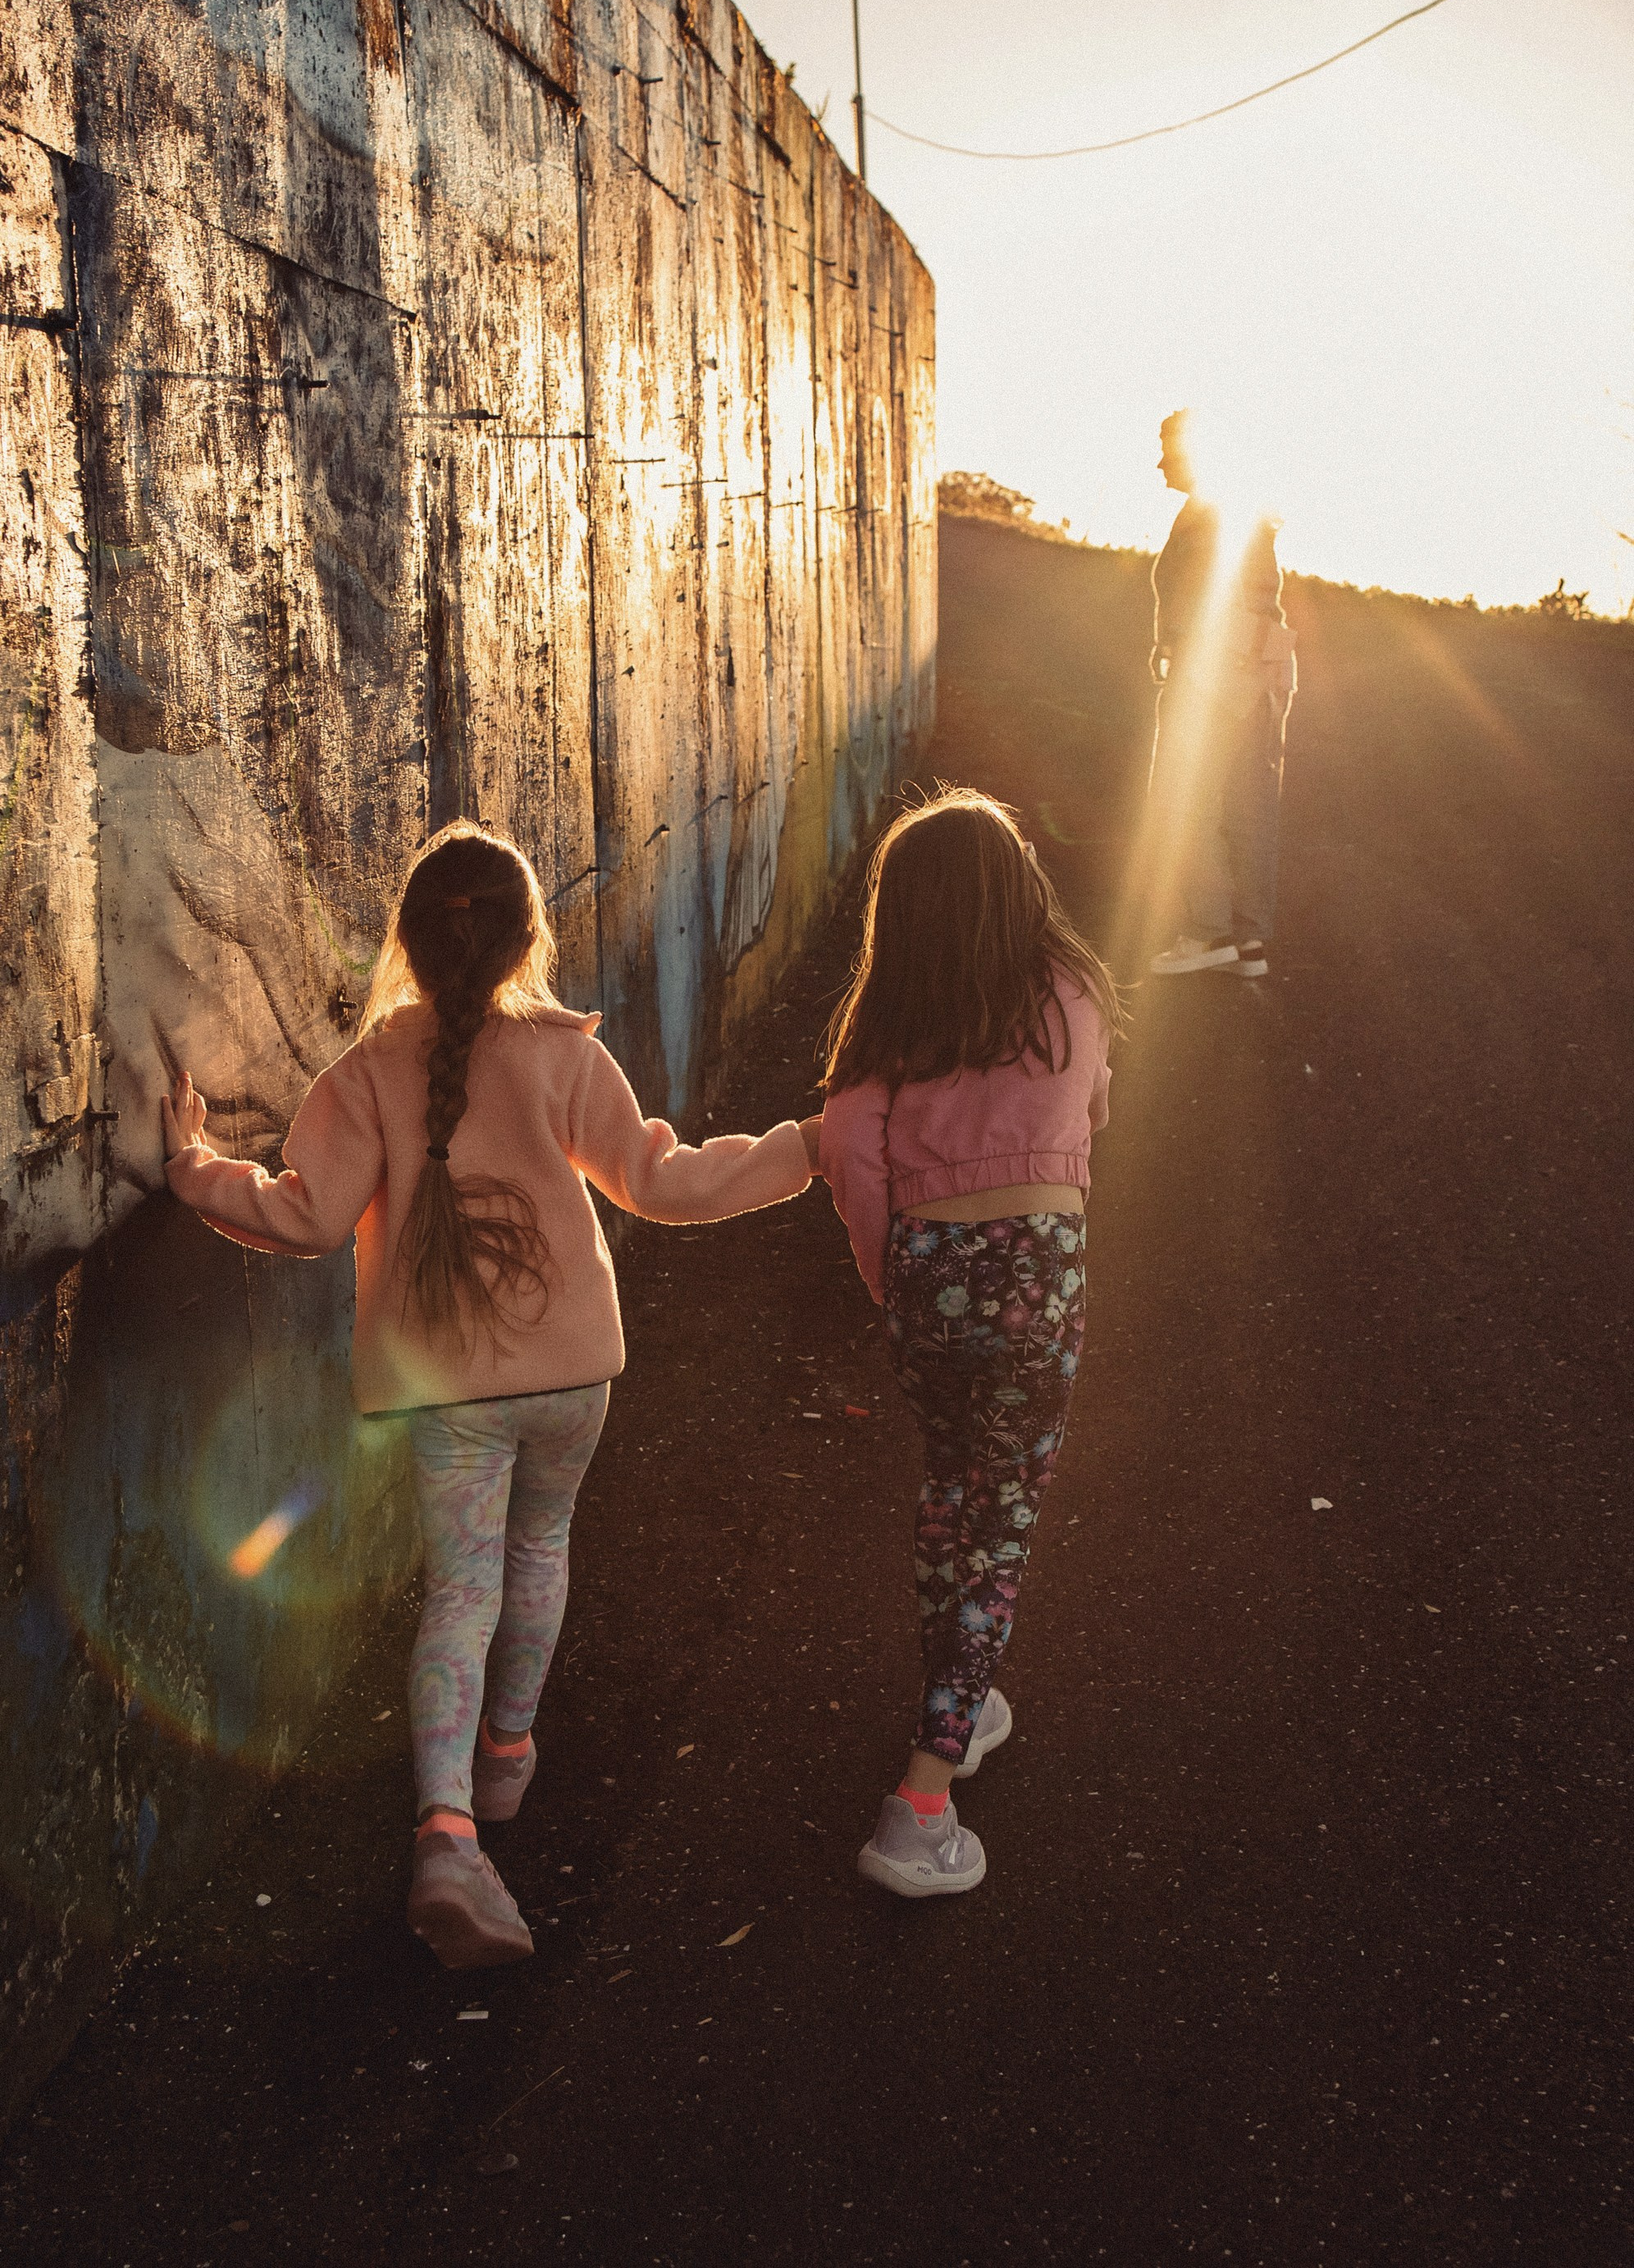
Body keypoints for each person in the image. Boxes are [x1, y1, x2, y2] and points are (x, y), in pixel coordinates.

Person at [162, 822, 814, 1969]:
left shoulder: (364, 1073)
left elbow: (306, 1215)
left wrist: (192, 1170)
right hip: (573, 1378)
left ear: (406, 941)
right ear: (527, 939)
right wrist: (801, 1148)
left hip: (446, 1394)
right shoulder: (565, 1053)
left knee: (460, 1592)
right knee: (540, 1553)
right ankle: (508, 1758)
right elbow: (662, 1182)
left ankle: (450, 1831)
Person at [811, 790, 1121, 1897]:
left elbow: (853, 1150)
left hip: (930, 1279)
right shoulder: (1073, 994)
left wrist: (892, 1275)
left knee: (955, 1498)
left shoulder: (896, 1025)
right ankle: (921, 1801)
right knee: (1004, 1520)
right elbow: (1091, 1109)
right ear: (1018, 892)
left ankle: (965, 1697)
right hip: (1038, 1275)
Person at [1146, 408, 1297, 978]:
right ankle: (1248, 940)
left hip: (1215, 668)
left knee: (1186, 801)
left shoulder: (1214, 510)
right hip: (1261, 667)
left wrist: (1179, 646)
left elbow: (1203, 596)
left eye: (1168, 449)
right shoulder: (1241, 508)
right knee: (1248, 803)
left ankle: (1208, 932)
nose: (1159, 461)